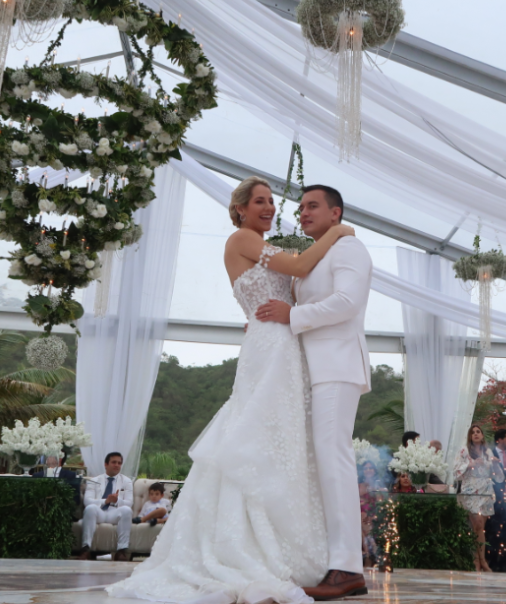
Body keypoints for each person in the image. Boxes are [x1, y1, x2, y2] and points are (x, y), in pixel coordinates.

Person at [107, 177, 356, 604]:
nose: (270, 208)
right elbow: (298, 267)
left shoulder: (259, 244)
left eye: (272, 202)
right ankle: (250, 545)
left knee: (279, 439)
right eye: (260, 201)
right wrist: (337, 231)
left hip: (278, 342)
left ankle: (277, 542)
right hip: (271, 344)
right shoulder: (242, 237)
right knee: (261, 435)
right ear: (240, 208)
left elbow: (290, 278)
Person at [256, 183, 374, 601]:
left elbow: (347, 302)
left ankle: (347, 568)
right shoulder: (322, 252)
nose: (303, 212)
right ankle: (333, 560)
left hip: (338, 365)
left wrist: (294, 314)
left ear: (336, 213)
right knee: (321, 463)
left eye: (312, 206)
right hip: (312, 371)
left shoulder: (349, 249)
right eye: (301, 206)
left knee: (334, 459)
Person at [452, 424, 500, 572]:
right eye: (473, 432)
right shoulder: (464, 450)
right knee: (476, 522)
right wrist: (471, 463)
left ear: (483, 435)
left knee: (479, 527)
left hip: (485, 489)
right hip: (470, 489)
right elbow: (455, 470)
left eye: (478, 431)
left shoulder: (488, 451)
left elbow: (497, 475)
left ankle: (480, 560)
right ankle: (478, 561)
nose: (476, 434)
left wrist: (496, 465)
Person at [79, 452, 134, 562]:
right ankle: (85, 549)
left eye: (119, 463)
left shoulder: (127, 481)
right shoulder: (94, 481)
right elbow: (87, 501)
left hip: (115, 512)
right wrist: (106, 501)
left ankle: (121, 551)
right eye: (114, 462)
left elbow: (129, 503)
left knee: (127, 510)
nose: (117, 465)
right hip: (99, 512)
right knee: (90, 508)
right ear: (106, 464)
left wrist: (117, 500)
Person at [485, 428, 506, 572]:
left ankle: (504, 564)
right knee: (493, 532)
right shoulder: (489, 455)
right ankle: (492, 562)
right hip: (494, 498)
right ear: (499, 440)